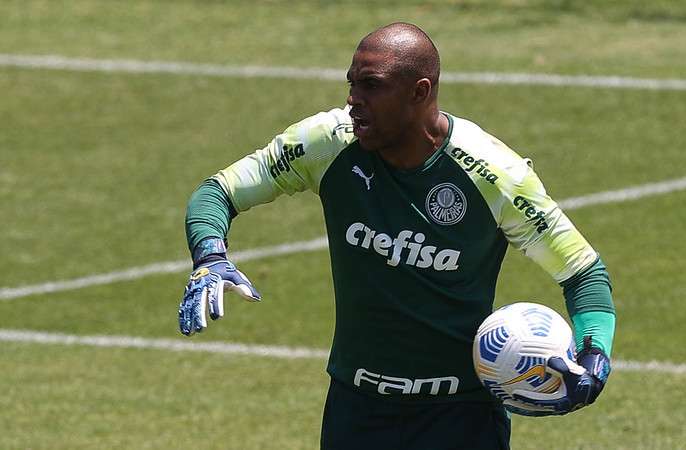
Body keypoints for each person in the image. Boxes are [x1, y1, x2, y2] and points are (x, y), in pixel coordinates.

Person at [178, 22, 615, 450]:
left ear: (419, 91)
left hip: (461, 421)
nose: (353, 101)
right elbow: (218, 192)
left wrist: (595, 355)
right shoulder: (327, 143)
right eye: (351, 84)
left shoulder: (493, 174)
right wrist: (210, 255)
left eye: (371, 86)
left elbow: (582, 273)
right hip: (357, 412)